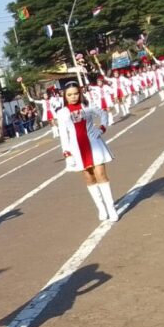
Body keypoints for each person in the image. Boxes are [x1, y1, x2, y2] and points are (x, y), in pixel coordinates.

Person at [55, 81, 119, 222]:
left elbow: (103, 114)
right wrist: (67, 153)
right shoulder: (62, 113)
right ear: (65, 96)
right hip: (77, 149)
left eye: (76, 93)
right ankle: (101, 208)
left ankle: (111, 208)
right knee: (89, 178)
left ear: (80, 93)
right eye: (70, 95)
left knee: (101, 174)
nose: (73, 97)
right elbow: (64, 135)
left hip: (94, 144)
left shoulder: (88, 106)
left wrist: (102, 128)